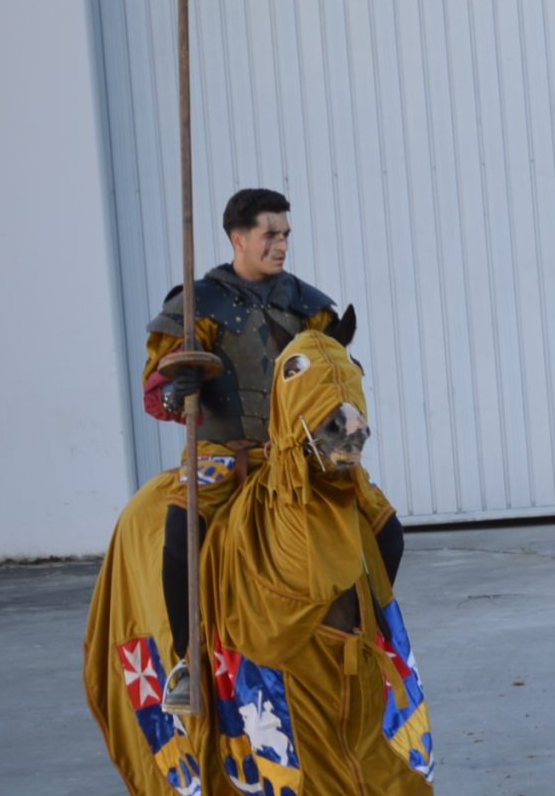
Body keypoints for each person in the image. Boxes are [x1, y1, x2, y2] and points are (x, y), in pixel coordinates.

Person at [141, 187, 399, 715]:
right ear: (239, 238)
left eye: (285, 235)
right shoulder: (197, 305)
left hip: (298, 458)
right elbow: (154, 391)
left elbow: (333, 376)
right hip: (223, 452)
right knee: (178, 535)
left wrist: (344, 428)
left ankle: (372, 634)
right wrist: (177, 387)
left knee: (386, 529)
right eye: (269, 235)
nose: (281, 246)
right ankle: (187, 662)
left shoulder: (309, 306)